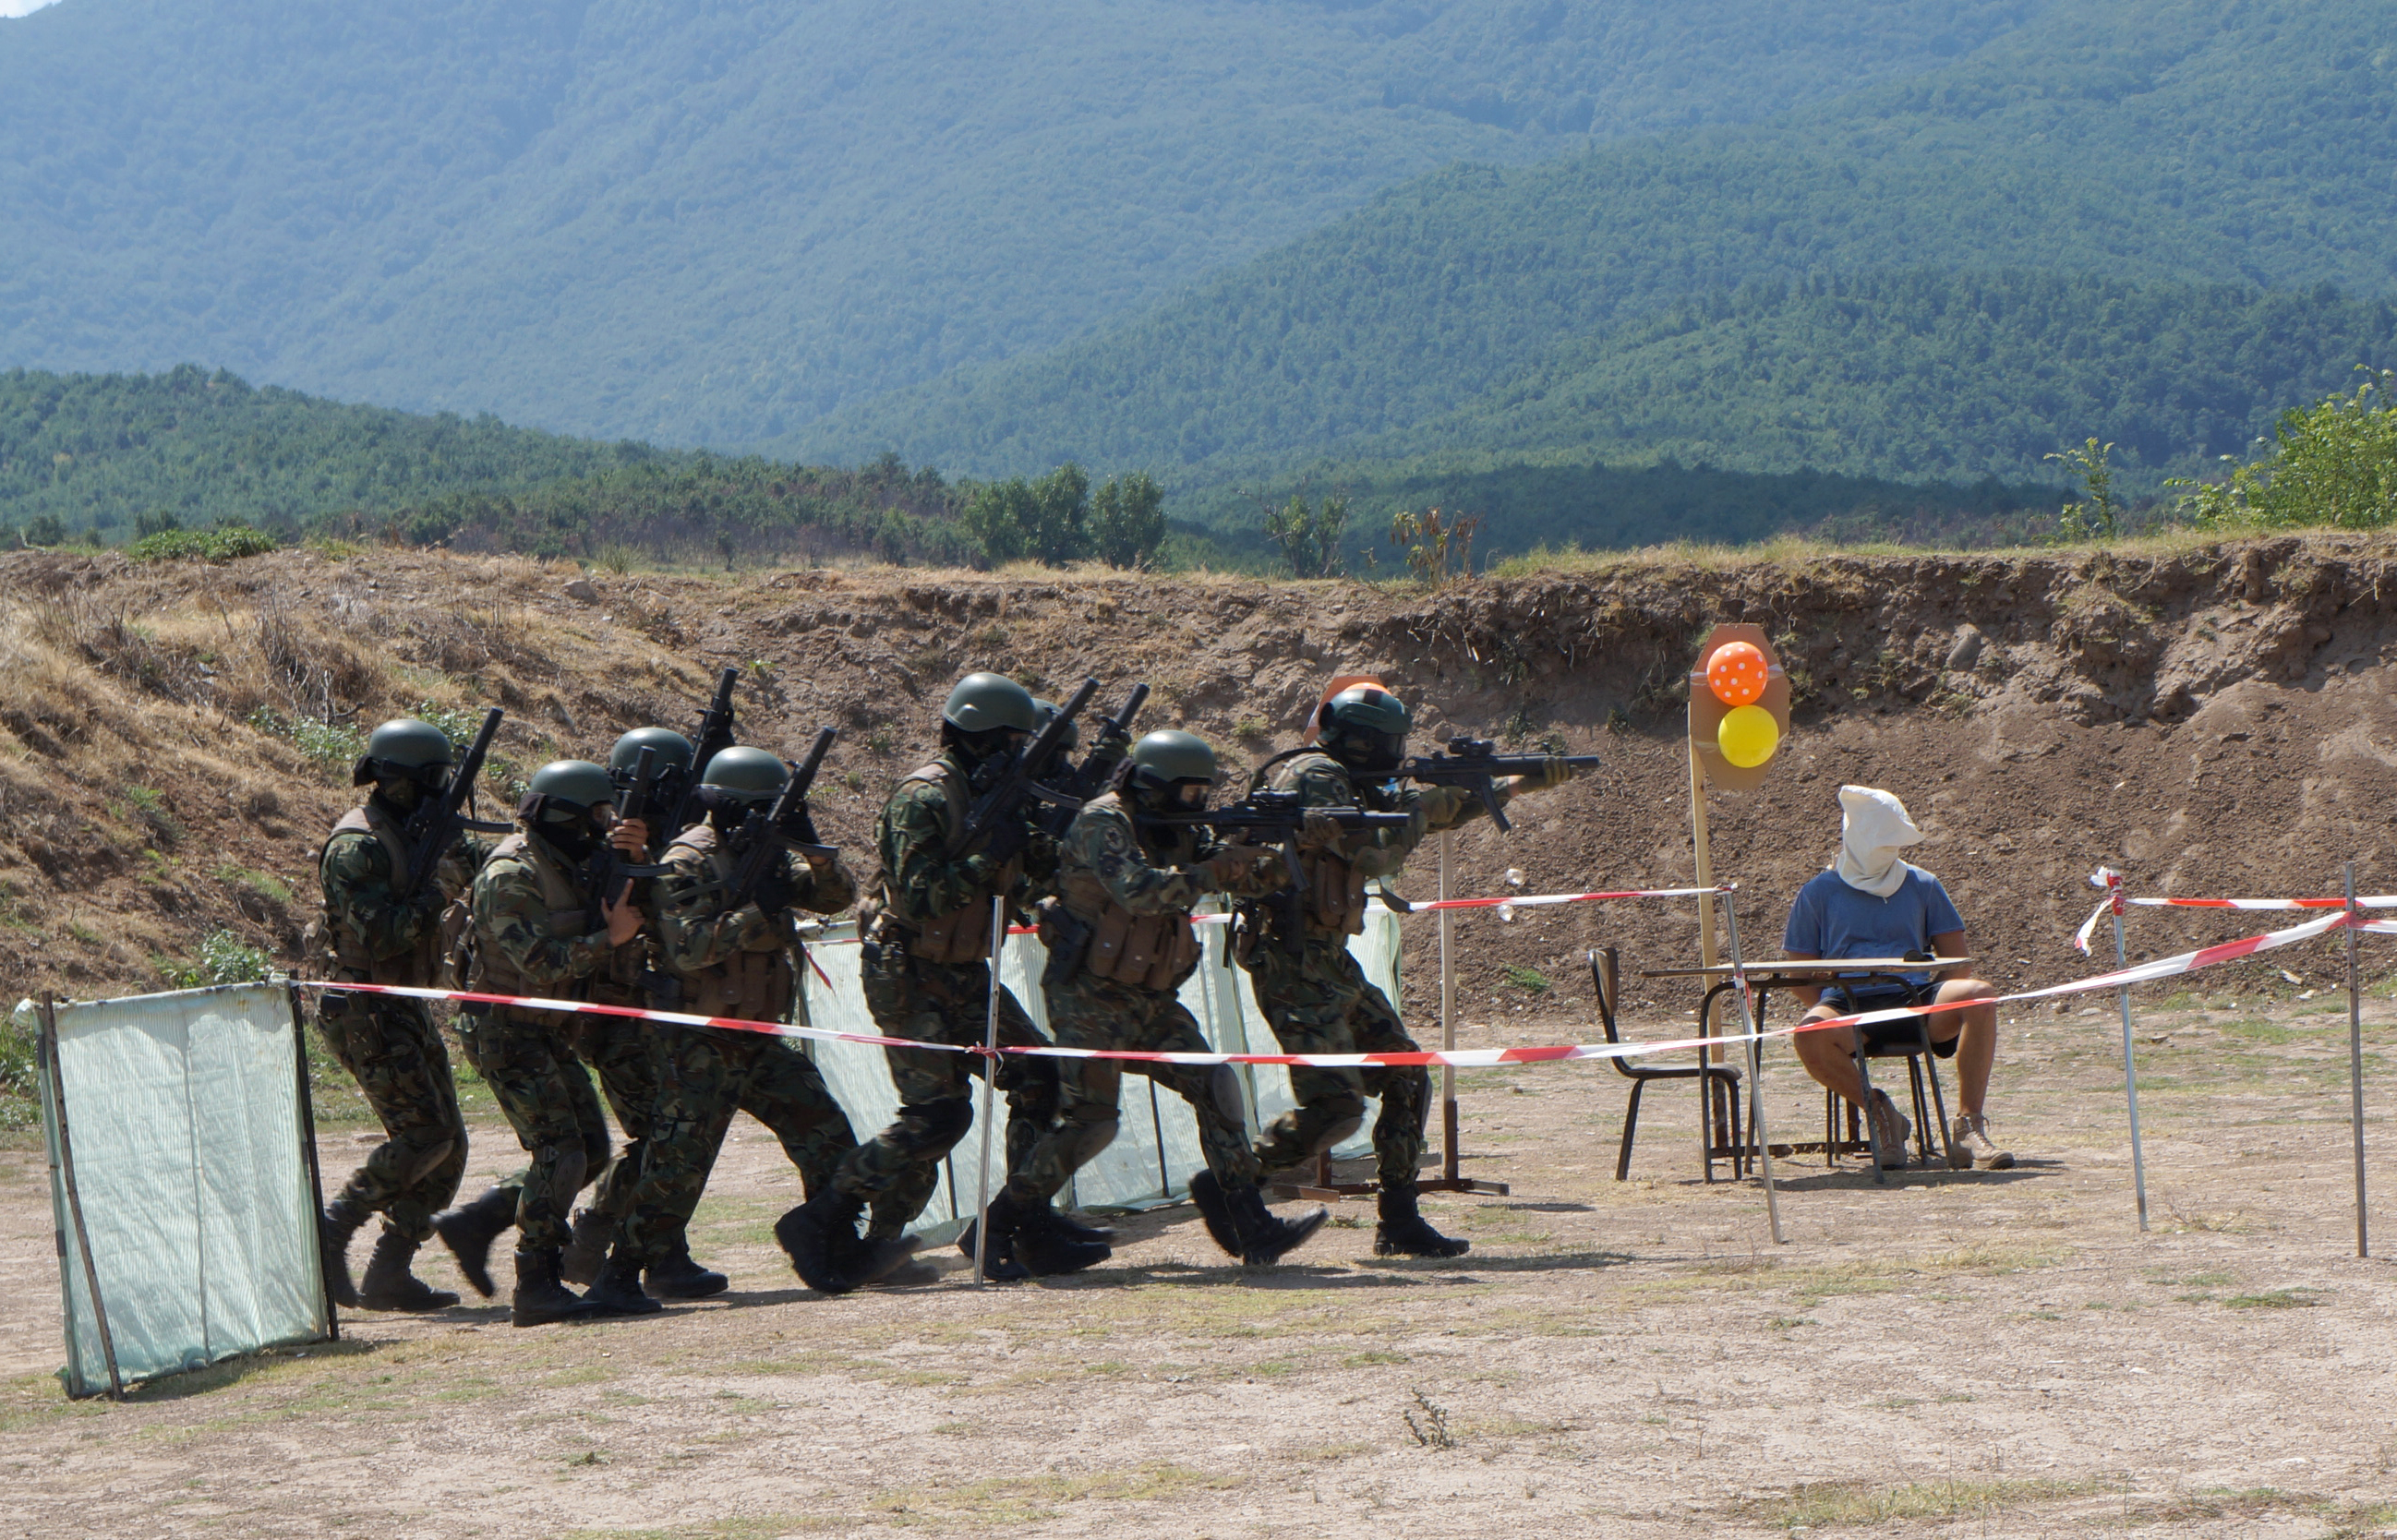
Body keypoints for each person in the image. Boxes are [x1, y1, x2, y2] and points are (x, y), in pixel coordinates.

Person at [1238, 681, 1572, 1257]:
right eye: (1391, 744)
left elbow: (1408, 819)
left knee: (1406, 1071)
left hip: (1325, 961)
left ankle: (1398, 1218)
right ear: (1369, 744)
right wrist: (1422, 805)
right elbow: (1378, 850)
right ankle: (1233, 1183)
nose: (1398, 755)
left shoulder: (1341, 776)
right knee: (1337, 1109)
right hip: (1292, 960)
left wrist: (1512, 784)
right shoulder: (1317, 776)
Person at [775, 672, 1077, 1293]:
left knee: (1041, 1074)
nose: (1017, 754)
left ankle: (1013, 1224)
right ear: (979, 737)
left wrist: (1039, 865)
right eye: (1010, 742)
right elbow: (919, 895)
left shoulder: (994, 796)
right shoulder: (924, 797)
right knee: (939, 1115)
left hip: (964, 968)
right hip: (906, 969)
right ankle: (825, 1219)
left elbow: (1022, 878)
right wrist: (987, 856)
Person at [1006, 729, 1325, 1270]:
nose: (1196, 804)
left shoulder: (1176, 828)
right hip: (1089, 995)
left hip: (1148, 996)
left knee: (1215, 1083)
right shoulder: (1103, 823)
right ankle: (1004, 1225)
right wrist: (1216, 869)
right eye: (1188, 793)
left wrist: (1273, 849)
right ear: (1153, 786)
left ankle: (1251, 1225)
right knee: (1090, 1120)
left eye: (1203, 794)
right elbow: (1141, 891)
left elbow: (1244, 877)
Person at [636, 747, 921, 1292]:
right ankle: (627, 1268)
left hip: (756, 1036)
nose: (770, 817)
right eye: (762, 807)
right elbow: (690, 948)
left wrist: (813, 852)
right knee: (677, 1165)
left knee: (825, 1135)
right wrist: (756, 911)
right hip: (699, 1038)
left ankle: (834, 1247)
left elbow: (835, 898)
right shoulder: (687, 859)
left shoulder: (762, 854)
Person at [457, 760, 653, 1326]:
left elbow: (623, 885)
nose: (602, 825)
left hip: (543, 1030)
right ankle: (535, 1282)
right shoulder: (510, 874)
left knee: (589, 1147)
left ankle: (492, 1228)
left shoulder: (570, 861)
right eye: (595, 815)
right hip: (503, 1028)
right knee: (561, 1149)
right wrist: (609, 938)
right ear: (564, 816)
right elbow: (538, 963)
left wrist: (635, 857)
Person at [313, 717, 490, 1312]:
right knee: (424, 1135)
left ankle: (391, 1269)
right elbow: (382, 932)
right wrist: (441, 889)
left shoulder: (421, 833)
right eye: (436, 777)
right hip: (363, 1006)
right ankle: (333, 1229)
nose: (445, 786)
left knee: (450, 1144)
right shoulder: (356, 846)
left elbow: (484, 863)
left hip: (401, 1002)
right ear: (402, 781)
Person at [1781, 785, 2013, 1171]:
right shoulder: (1818, 893)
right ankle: (1881, 1113)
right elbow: (1798, 969)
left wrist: (1934, 994)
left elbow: (1958, 960)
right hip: (1849, 1003)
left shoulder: (1923, 884)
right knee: (1807, 1035)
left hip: (1917, 997)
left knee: (1979, 994)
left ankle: (1968, 1126)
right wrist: (1827, 1009)